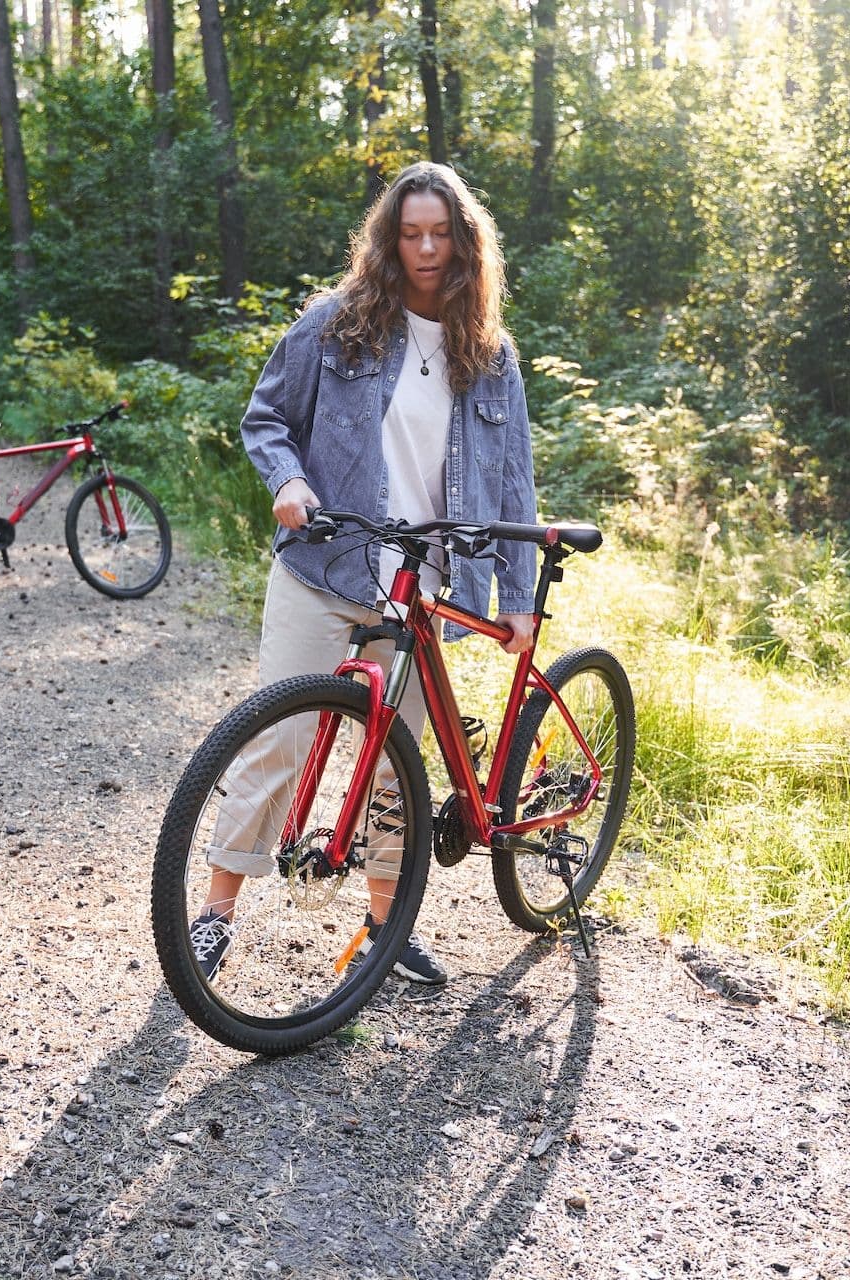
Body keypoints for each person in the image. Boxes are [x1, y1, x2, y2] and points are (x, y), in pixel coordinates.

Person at [191, 162, 541, 987]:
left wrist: (518, 599)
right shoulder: (336, 325)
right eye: (410, 233)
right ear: (389, 240)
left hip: (421, 587)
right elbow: (266, 417)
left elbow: (516, 482)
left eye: (441, 233)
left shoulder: (490, 357)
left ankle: (385, 931)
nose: (426, 249)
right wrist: (288, 482)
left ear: (465, 243)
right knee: (277, 740)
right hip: (325, 565)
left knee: (399, 765)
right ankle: (213, 916)